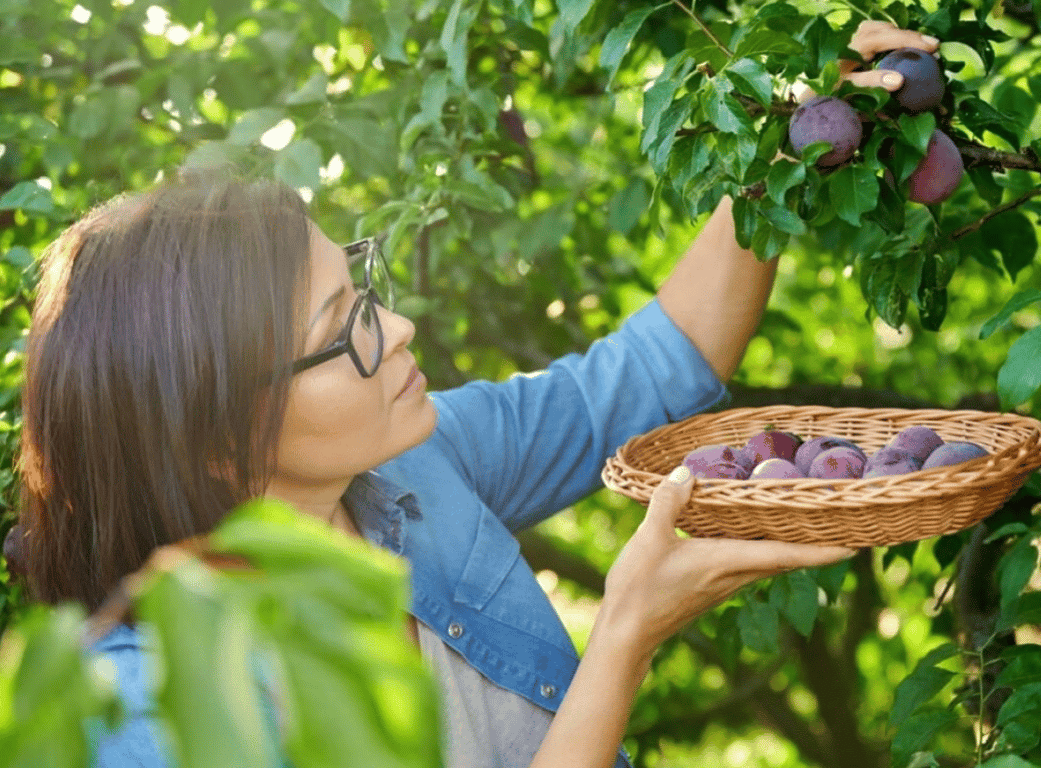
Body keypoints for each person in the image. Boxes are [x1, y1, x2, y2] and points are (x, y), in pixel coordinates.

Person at [13, 21, 940, 768]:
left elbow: (652, 368)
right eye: (345, 330)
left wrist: (791, 146)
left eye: (364, 284)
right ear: (216, 436)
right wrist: (623, 638)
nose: (401, 328)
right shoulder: (146, 712)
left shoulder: (414, 472)